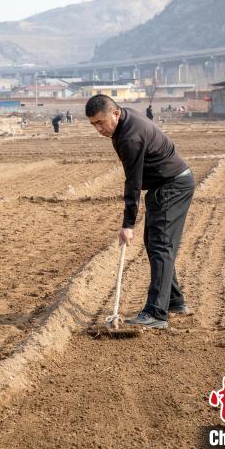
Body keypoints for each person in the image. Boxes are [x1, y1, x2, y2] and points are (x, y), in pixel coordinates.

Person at [86, 94, 194, 329]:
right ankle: (174, 300)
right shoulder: (124, 121)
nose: (98, 129)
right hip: (164, 185)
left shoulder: (129, 137)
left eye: (101, 123)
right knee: (156, 242)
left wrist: (128, 224)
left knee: (160, 245)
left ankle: (156, 313)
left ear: (115, 113)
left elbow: (133, 183)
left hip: (172, 185)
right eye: (94, 124)